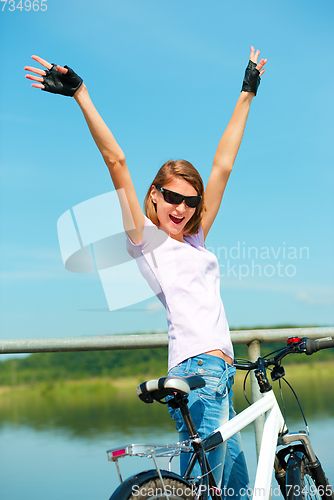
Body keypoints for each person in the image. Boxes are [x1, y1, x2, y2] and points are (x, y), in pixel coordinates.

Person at [25, 47, 267, 497]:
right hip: (201, 372)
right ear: (154, 195)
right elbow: (116, 163)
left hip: (219, 375)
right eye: (172, 197)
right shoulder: (145, 240)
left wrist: (247, 91)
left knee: (233, 486)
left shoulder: (194, 239)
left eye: (190, 201)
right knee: (204, 488)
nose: (181, 208)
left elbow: (223, 165)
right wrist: (81, 94)